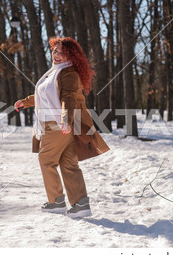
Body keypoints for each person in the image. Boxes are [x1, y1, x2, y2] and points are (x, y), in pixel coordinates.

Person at [14, 37, 109, 218]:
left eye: (61, 53)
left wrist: (66, 119)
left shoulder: (68, 73)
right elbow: (46, 95)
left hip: (57, 125)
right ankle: (80, 204)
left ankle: (56, 201)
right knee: (69, 165)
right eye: (55, 51)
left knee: (46, 159)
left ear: (70, 55)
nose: (56, 55)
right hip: (63, 125)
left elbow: (68, 98)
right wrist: (25, 102)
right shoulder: (57, 72)